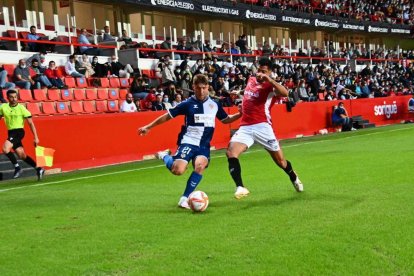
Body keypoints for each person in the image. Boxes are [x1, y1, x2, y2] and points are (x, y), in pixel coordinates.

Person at [138, 74, 242, 209]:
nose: (201, 91)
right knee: (178, 170)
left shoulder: (214, 104)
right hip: (188, 142)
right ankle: (165, 156)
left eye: (204, 88)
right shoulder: (187, 104)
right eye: (198, 88)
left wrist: (240, 114)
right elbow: (167, 116)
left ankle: (184, 198)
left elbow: (225, 119)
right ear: (193, 87)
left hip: (204, 146)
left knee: (200, 166)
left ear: (208, 88)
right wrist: (148, 127)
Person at [226, 57, 304, 199]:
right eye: (259, 70)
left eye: (264, 71)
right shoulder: (251, 79)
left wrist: (270, 80)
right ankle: (240, 187)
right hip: (246, 126)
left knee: (280, 162)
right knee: (231, 152)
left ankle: (293, 176)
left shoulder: (271, 87)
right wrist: (240, 93)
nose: (260, 73)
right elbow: (249, 91)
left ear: (269, 72)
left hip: (263, 127)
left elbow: (285, 93)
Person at [0, 89, 45, 180]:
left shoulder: (22, 108)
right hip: (11, 132)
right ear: (8, 98)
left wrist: (36, 137)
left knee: (5, 148)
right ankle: (39, 169)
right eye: (11, 97)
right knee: (22, 155)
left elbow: (31, 123)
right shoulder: (3, 107)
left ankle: (17, 168)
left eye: (15, 97)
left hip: (19, 132)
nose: (14, 99)